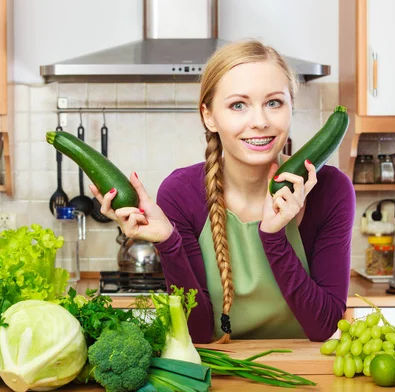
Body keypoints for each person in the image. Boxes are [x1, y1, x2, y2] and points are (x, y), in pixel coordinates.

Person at [89, 39, 355, 344]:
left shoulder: (331, 190)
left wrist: (273, 237)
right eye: (238, 105)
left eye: (274, 103)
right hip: (220, 377)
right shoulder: (181, 193)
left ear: (291, 107)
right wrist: (168, 242)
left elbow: (325, 327)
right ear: (209, 116)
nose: (260, 122)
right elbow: (198, 332)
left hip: (305, 376)